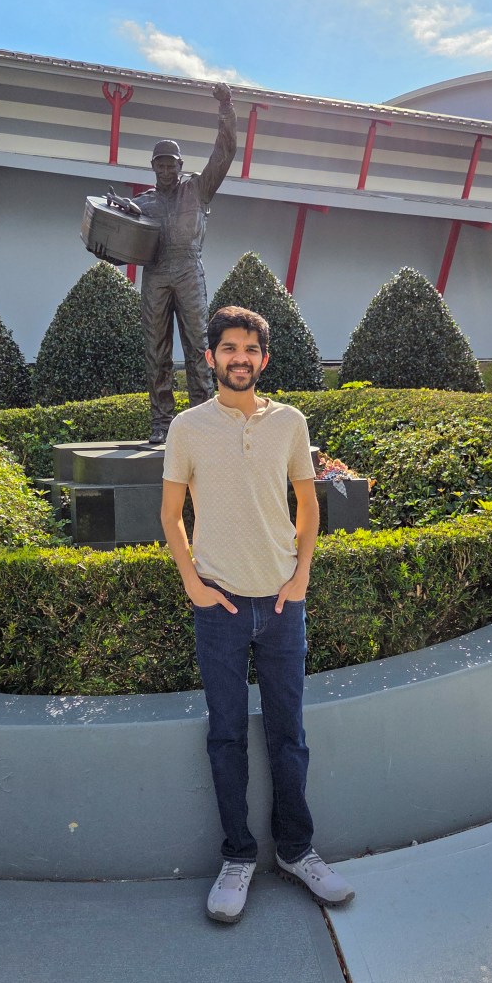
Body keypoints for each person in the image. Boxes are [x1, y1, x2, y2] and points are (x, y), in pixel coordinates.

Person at [160, 305, 355, 924]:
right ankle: (238, 856)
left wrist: (301, 576)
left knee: (288, 734)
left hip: (281, 605)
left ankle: (296, 851)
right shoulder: (187, 427)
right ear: (210, 357)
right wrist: (193, 583)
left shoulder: (290, 422)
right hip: (218, 604)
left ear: (263, 359)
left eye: (249, 349)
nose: (239, 358)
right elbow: (170, 515)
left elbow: (308, 505)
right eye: (228, 348)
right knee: (225, 736)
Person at [134, 83, 237, 444]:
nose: (165, 170)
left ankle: (203, 420)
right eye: (160, 165)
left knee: (197, 347)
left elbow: (224, 153)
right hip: (156, 273)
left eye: (171, 164)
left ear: (180, 166)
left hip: (189, 270)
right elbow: (120, 241)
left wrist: (226, 108)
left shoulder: (198, 189)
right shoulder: (141, 203)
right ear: (153, 167)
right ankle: (161, 422)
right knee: (156, 351)